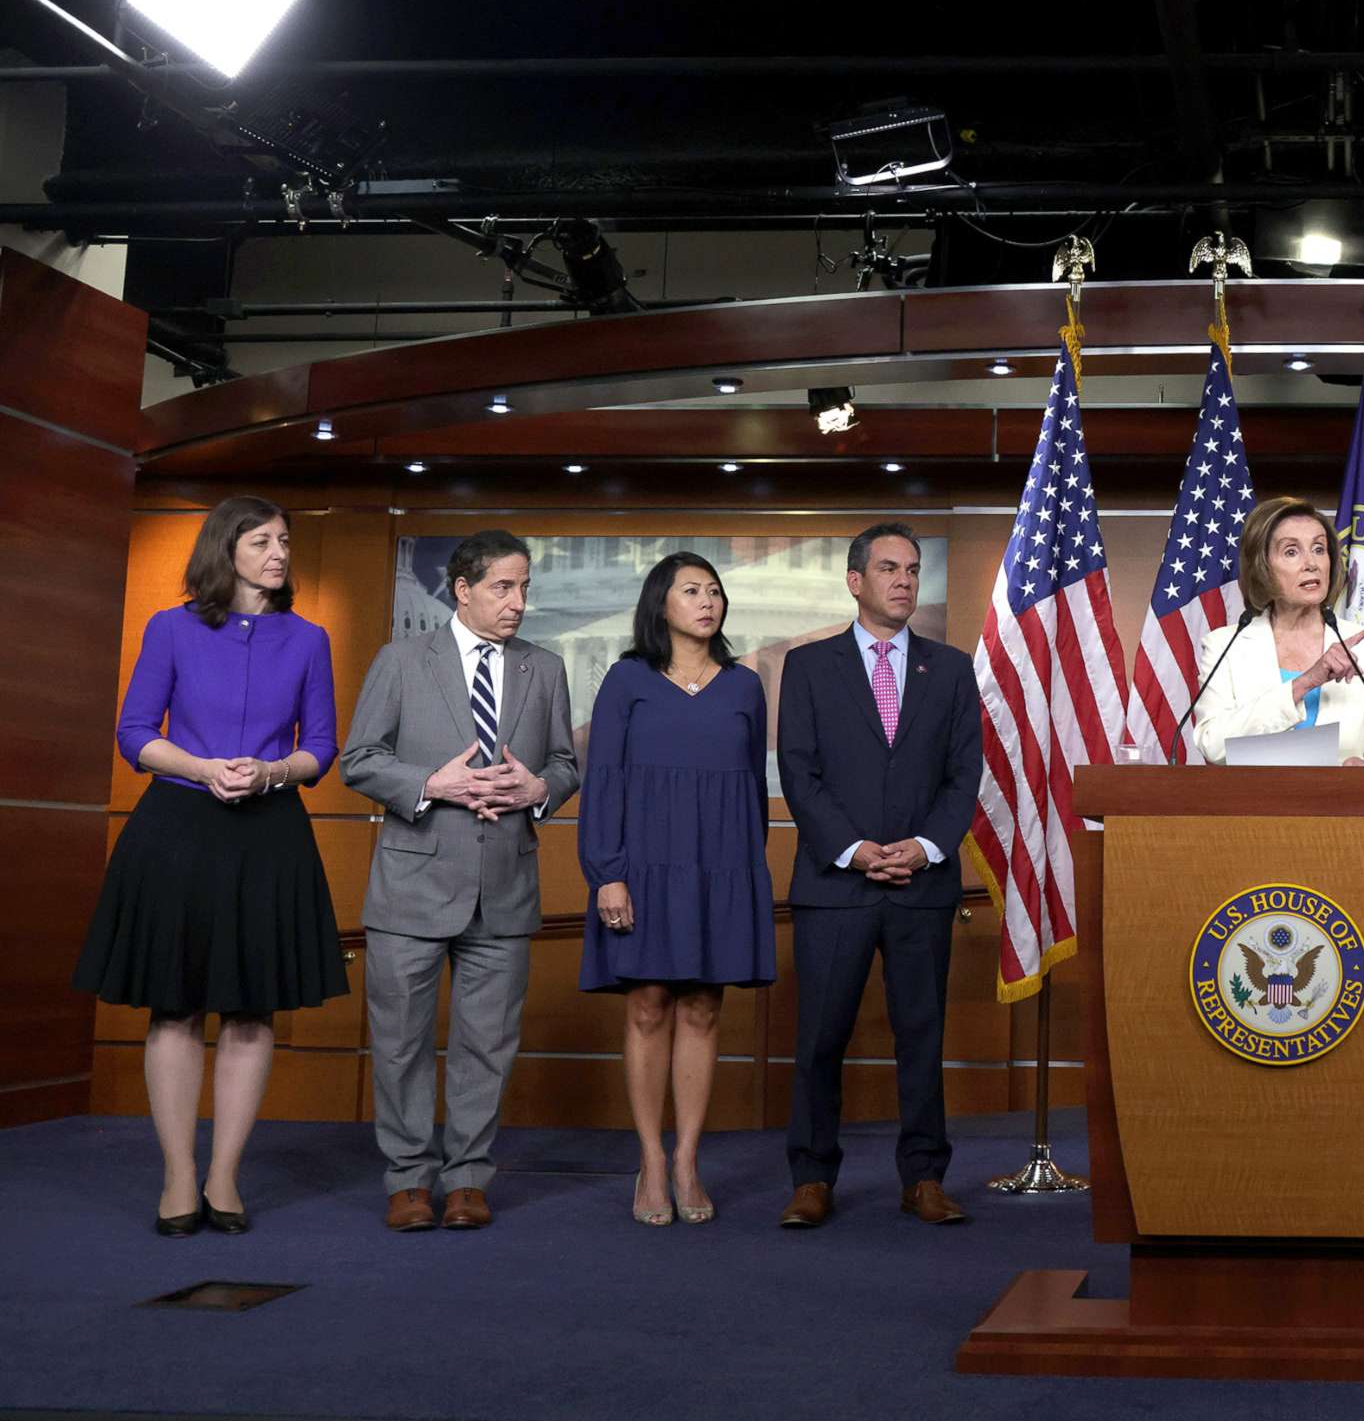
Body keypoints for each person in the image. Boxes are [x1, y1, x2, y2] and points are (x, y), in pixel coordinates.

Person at [74, 497, 347, 1236]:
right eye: (262, 541)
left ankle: (225, 1174)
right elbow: (135, 733)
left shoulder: (310, 638)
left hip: (268, 832)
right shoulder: (170, 627)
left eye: (285, 540)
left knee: (253, 1008)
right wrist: (203, 767)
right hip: (178, 828)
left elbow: (320, 746)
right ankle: (178, 1174)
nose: (280, 553)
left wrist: (269, 773)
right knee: (175, 1004)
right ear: (226, 549)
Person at [342, 529, 580, 1232]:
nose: (519, 602)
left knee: (487, 1043)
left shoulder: (546, 667)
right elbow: (359, 758)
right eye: (504, 587)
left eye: (526, 587)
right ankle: (410, 1179)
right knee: (403, 1041)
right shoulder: (402, 659)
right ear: (463, 588)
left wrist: (540, 786)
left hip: (505, 886)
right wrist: (431, 783)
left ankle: (469, 1175)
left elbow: (566, 763)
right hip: (411, 887)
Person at [776, 523, 982, 1230]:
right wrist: (856, 849)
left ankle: (924, 1176)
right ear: (855, 580)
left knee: (921, 1037)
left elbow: (964, 776)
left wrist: (925, 846)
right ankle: (811, 1177)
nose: (903, 580)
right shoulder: (809, 667)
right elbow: (798, 772)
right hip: (836, 885)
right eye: (889, 567)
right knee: (820, 1038)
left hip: (922, 884)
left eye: (913, 569)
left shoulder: (950, 669)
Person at [579, 552, 776, 1227]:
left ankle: (688, 1157)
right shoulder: (627, 679)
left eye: (715, 590)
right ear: (660, 602)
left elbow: (751, 787)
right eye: (691, 589)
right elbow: (602, 779)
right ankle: (651, 1160)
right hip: (644, 865)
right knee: (648, 1004)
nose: (707, 600)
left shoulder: (745, 685)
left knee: (702, 1007)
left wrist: (748, 876)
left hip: (721, 865)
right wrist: (608, 871)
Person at [1191, 496, 1364, 766]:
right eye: (1291, 552)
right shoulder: (1224, 646)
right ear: (1263, 567)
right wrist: (1304, 683)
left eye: (1319, 549)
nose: (1311, 563)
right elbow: (1212, 744)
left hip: (1345, 805)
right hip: (1254, 806)